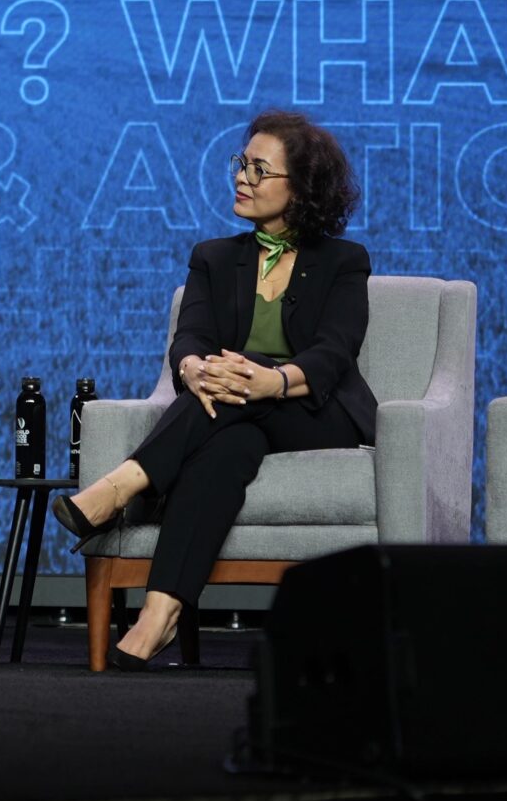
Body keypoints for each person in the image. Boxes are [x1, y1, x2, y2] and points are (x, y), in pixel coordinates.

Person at [52, 110, 374, 670]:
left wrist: (269, 380)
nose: (241, 178)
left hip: (314, 410)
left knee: (236, 388)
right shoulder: (214, 257)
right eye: (240, 164)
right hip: (230, 412)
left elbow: (334, 352)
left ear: (300, 189)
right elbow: (191, 337)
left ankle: (124, 484)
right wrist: (194, 369)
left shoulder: (343, 262)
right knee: (227, 448)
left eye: (258, 169)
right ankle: (161, 612)